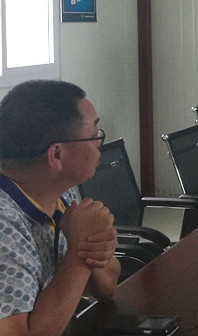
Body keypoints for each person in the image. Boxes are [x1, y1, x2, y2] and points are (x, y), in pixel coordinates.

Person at [0, 80, 120, 336]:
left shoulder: (61, 191)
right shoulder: (4, 224)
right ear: (56, 155)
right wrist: (79, 252)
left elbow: (107, 286)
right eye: (94, 135)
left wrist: (90, 244)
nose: (99, 144)